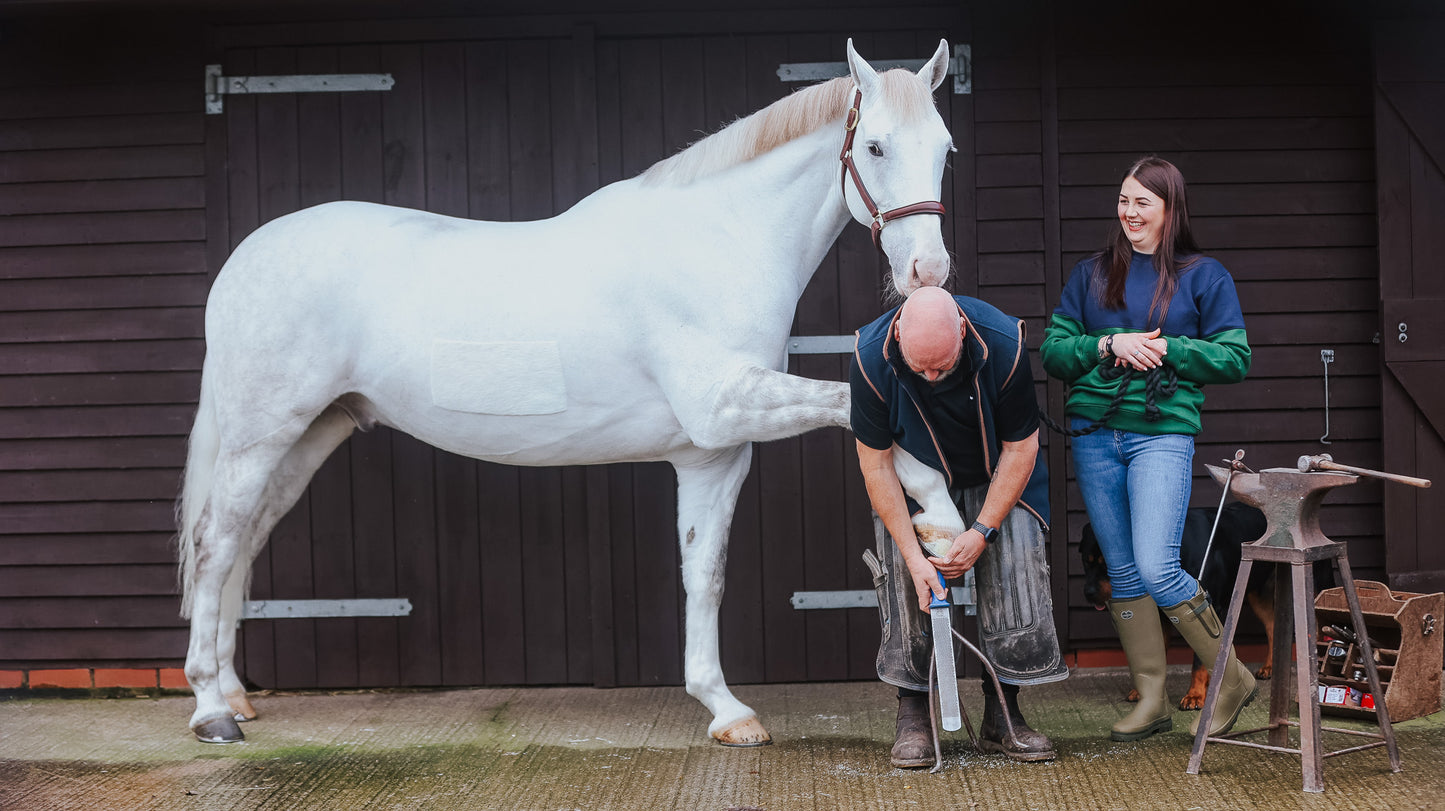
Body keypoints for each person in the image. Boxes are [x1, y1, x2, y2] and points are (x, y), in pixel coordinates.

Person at [1039, 156, 1253, 742]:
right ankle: (1153, 698)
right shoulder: (1090, 274)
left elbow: (1236, 358)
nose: (1130, 213)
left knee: (1159, 566)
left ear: (1169, 210)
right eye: (1124, 200)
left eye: (1143, 203)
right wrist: (1109, 343)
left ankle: (1231, 675)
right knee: (1126, 570)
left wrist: (1169, 351)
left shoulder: (1206, 276)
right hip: (1095, 436)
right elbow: (1054, 352)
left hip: (1162, 434)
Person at [851, 285, 1068, 768]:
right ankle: (914, 716)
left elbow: (1021, 449)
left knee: (1016, 567)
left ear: (964, 334)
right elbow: (876, 465)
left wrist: (983, 531)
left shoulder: (1003, 344)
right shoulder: (869, 357)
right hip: (918, 473)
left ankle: (1003, 714)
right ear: (900, 334)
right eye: (919, 367)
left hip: (997, 471)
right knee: (906, 575)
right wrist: (913, 557)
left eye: (941, 367)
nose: (929, 377)